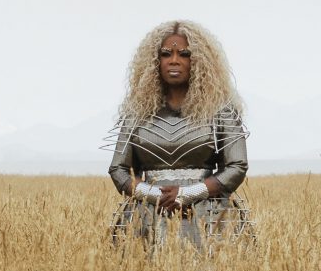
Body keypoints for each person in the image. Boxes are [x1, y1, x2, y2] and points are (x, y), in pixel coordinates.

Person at [108, 20, 253, 250]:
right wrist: (153, 195)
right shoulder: (137, 112)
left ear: (199, 61)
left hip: (210, 218)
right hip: (146, 220)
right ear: (155, 61)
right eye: (166, 54)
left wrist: (189, 193)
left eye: (184, 54)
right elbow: (118, 169)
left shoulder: (221, 110)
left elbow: (237, 165)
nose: (174, 60)